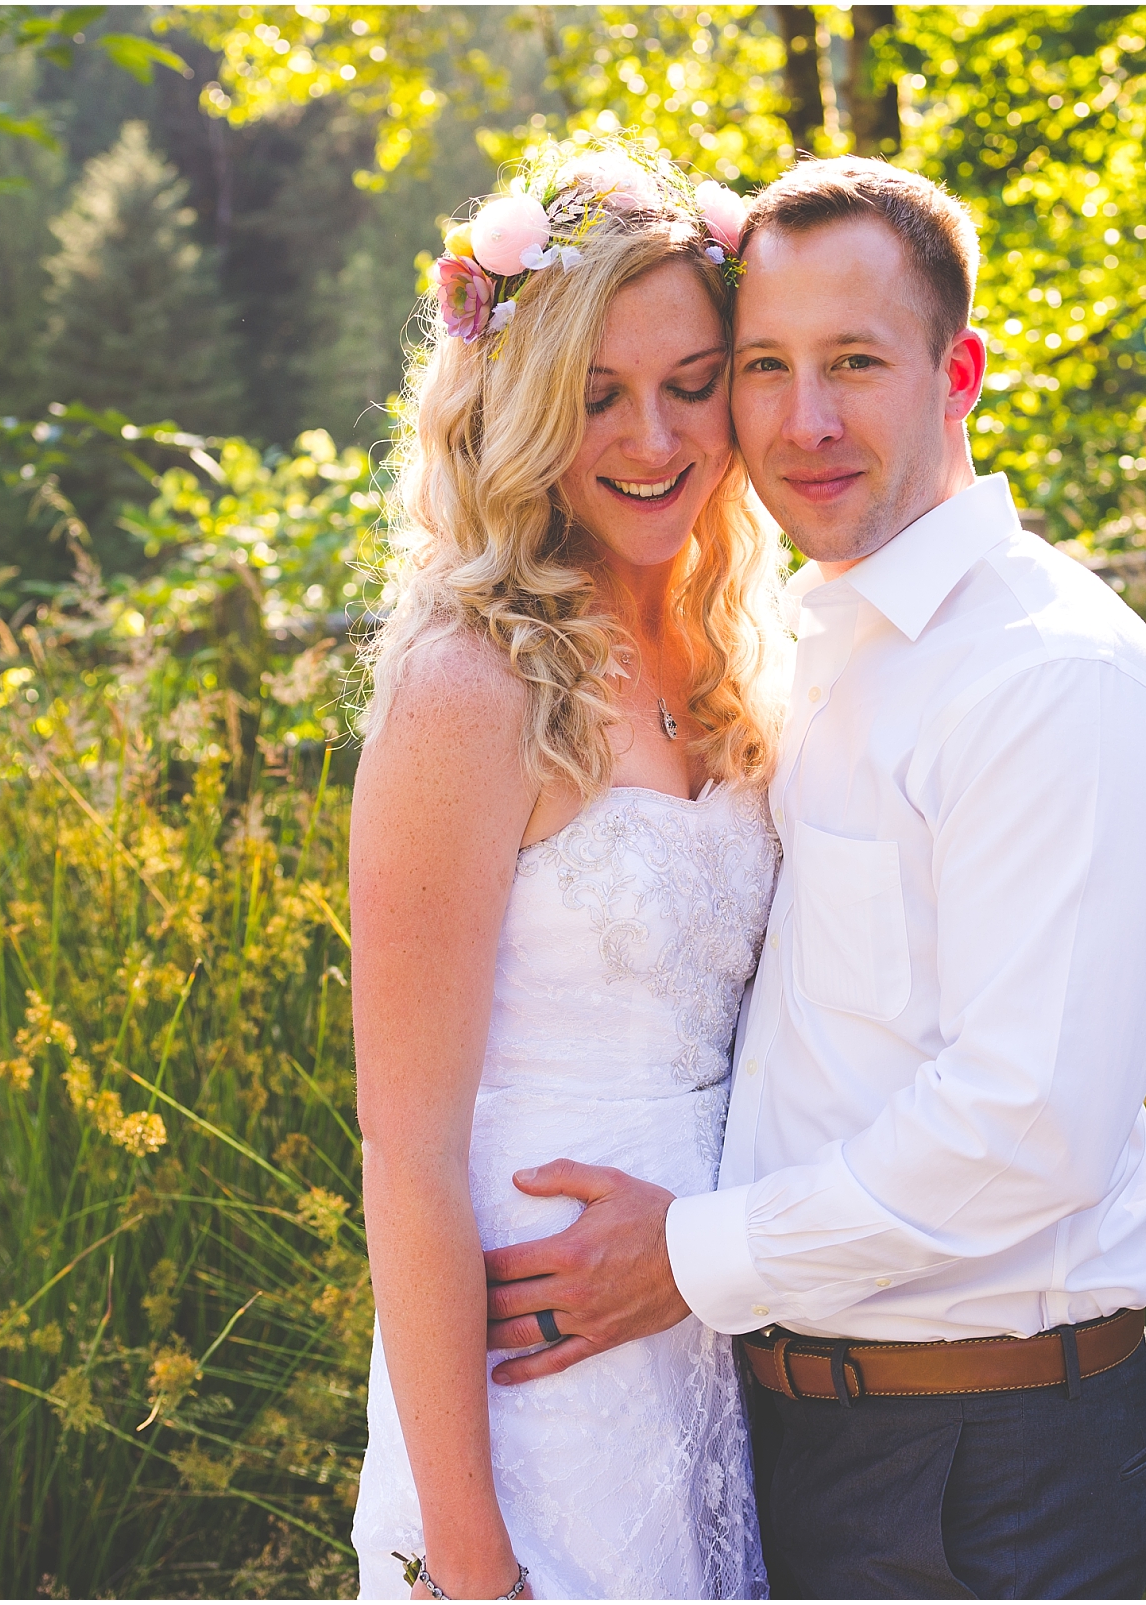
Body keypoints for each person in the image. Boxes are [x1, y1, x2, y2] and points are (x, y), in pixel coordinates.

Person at [482, 157, 1146, 1598]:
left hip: (986, 1464)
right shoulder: (807, 644)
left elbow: (1030, 1124)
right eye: (762, 366)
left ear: (960, 372)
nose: (804, 420)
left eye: (855, 364)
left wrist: (690, 1257)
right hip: (795, 1432)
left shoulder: (1048, 680)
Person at [344, 144, 783, 1601]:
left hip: (715, 1355)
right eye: (598, 392)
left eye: (691, 379)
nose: (653, 435)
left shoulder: (736, 650)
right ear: (525, 402)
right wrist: (471, 1558)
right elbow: (405, 1155)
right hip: (536, 1415)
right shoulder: (469, 688)